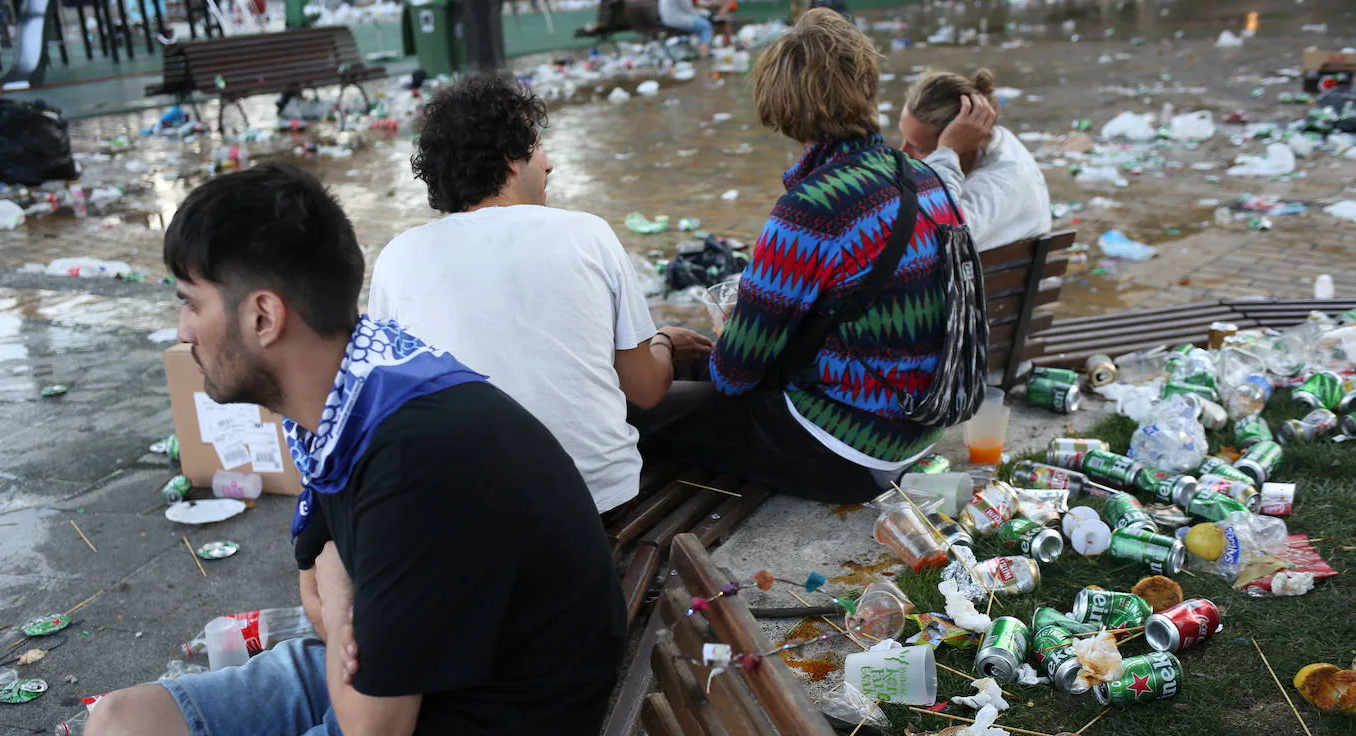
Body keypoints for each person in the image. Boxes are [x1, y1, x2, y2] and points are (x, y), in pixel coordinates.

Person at [50, 164, 626, 736]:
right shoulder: (353, 387)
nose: (182, 330)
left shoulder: (413, 456)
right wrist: (344, 602)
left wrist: (345, 593)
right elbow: (314, 587)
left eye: (191, 304)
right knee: (124, 730)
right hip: (412, 695)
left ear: (263, 317)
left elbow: (372, 727)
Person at [628, 8, 966, 504]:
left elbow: (734, 373)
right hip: (919, 429)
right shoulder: (928, 180)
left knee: (630, 407)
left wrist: (728, 326)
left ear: (783, 107)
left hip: (844, 451)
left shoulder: (810, 210)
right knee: (686, 364)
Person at [369, 71, 710, 515]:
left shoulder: (397, 258)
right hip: (597, 502)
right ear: (511, 159)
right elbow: (645, 390)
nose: (547, 164)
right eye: (537, 147)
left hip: (459, 512)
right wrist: (664, 341)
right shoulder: (587, 233)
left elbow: (387, 401)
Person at [898, 69, 1052, 252]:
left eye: (919, 148)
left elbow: (938, 237)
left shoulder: (1000, 181)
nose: (902, 153)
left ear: (965, 141)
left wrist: (947, 151)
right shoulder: (999, 140)